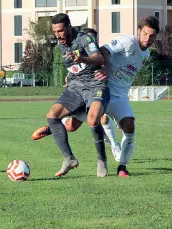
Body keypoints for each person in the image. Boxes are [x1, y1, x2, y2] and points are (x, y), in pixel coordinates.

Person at [32, 28, 121, 162]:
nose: (89, 42)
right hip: (83, 93)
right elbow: (77, 70)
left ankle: (115, 147)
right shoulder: (77, 51)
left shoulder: (100, 53)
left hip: (101, 92)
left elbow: (106, 63)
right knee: (71, 126)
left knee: (103, 119)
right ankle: (53, 129)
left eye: (92, 39)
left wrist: (106, 67)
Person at [94, 15, 160, 177]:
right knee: (72, 125)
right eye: (145, 33)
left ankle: (122, 167)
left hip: (120, 97)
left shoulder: (145, 56)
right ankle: (56, 124)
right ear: (139, 31)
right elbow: (104, 50)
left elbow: (128, 73)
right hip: (104, 90)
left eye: (151, 36)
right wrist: (107, 68)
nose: (147, 38)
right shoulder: (127, 42)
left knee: (130, 126)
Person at [46, 13, 110, 178]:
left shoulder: (84, 39)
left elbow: (99, 58)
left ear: (69, 27)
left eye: (60, 30)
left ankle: (101, 160)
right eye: (55, 31)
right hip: (75, 89)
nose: (58, 35)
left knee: (93, 119)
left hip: (95, 85)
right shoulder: (61, 45)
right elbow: (72, 68)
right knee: (52, 116)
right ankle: (69, 159)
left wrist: (81, 58)